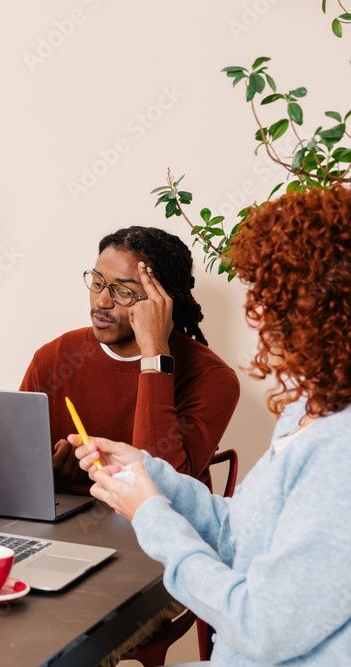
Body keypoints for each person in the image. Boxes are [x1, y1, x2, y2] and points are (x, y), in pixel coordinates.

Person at [75, 186, 351, 665]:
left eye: (272, 301)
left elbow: (260, 627)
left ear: (321, 316)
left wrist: (150, 513)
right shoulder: (310, 410)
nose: (258, 317)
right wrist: (147, 472)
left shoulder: (340, 452)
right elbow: (240, 532)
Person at [20, 226, 239, 493]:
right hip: (69, 527)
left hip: (159, 529)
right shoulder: (55, 358)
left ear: (162, 301)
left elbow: (162, 490)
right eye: (98, 282)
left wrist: (155, 356)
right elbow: (16, 469)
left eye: (123, 292)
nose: (101, 302)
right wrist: (47, 477)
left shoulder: (212, 379)